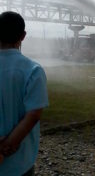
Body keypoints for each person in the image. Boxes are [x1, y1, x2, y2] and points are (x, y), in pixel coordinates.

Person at [0, 11, 49, 175]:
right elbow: (34, 114)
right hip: (19, 162)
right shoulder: (33, 70)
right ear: (23, 36)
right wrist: (6, 147)